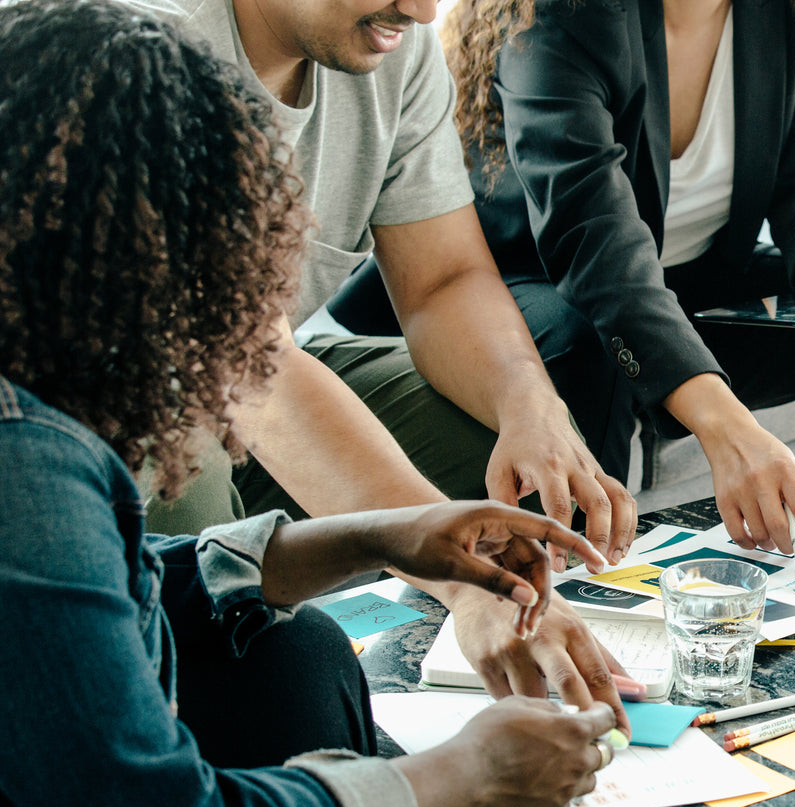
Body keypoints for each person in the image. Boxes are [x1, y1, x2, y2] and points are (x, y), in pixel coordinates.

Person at [0, 5, 626, 807]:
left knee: (287, 651)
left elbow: (83, 612)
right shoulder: (23, 469)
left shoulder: (39, 417)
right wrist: (461, 774)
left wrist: (371, 538)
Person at [120, 0, 639, 711]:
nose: (424, 10)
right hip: (97, 424)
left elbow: (441, 281)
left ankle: (435, 694)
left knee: (520, 465)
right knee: (194, 515)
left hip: (254, 386)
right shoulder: (142, 44)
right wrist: (462, 579)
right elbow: (244, 365)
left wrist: (528, 403)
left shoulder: (389, 44)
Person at [400, 0, 795, 558]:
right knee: (588, 342)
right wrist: (724, 426)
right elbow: (592, 234)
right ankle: (586, 596)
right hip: (545, 283)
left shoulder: (793, 9)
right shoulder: (561, 11)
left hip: (694, 278)